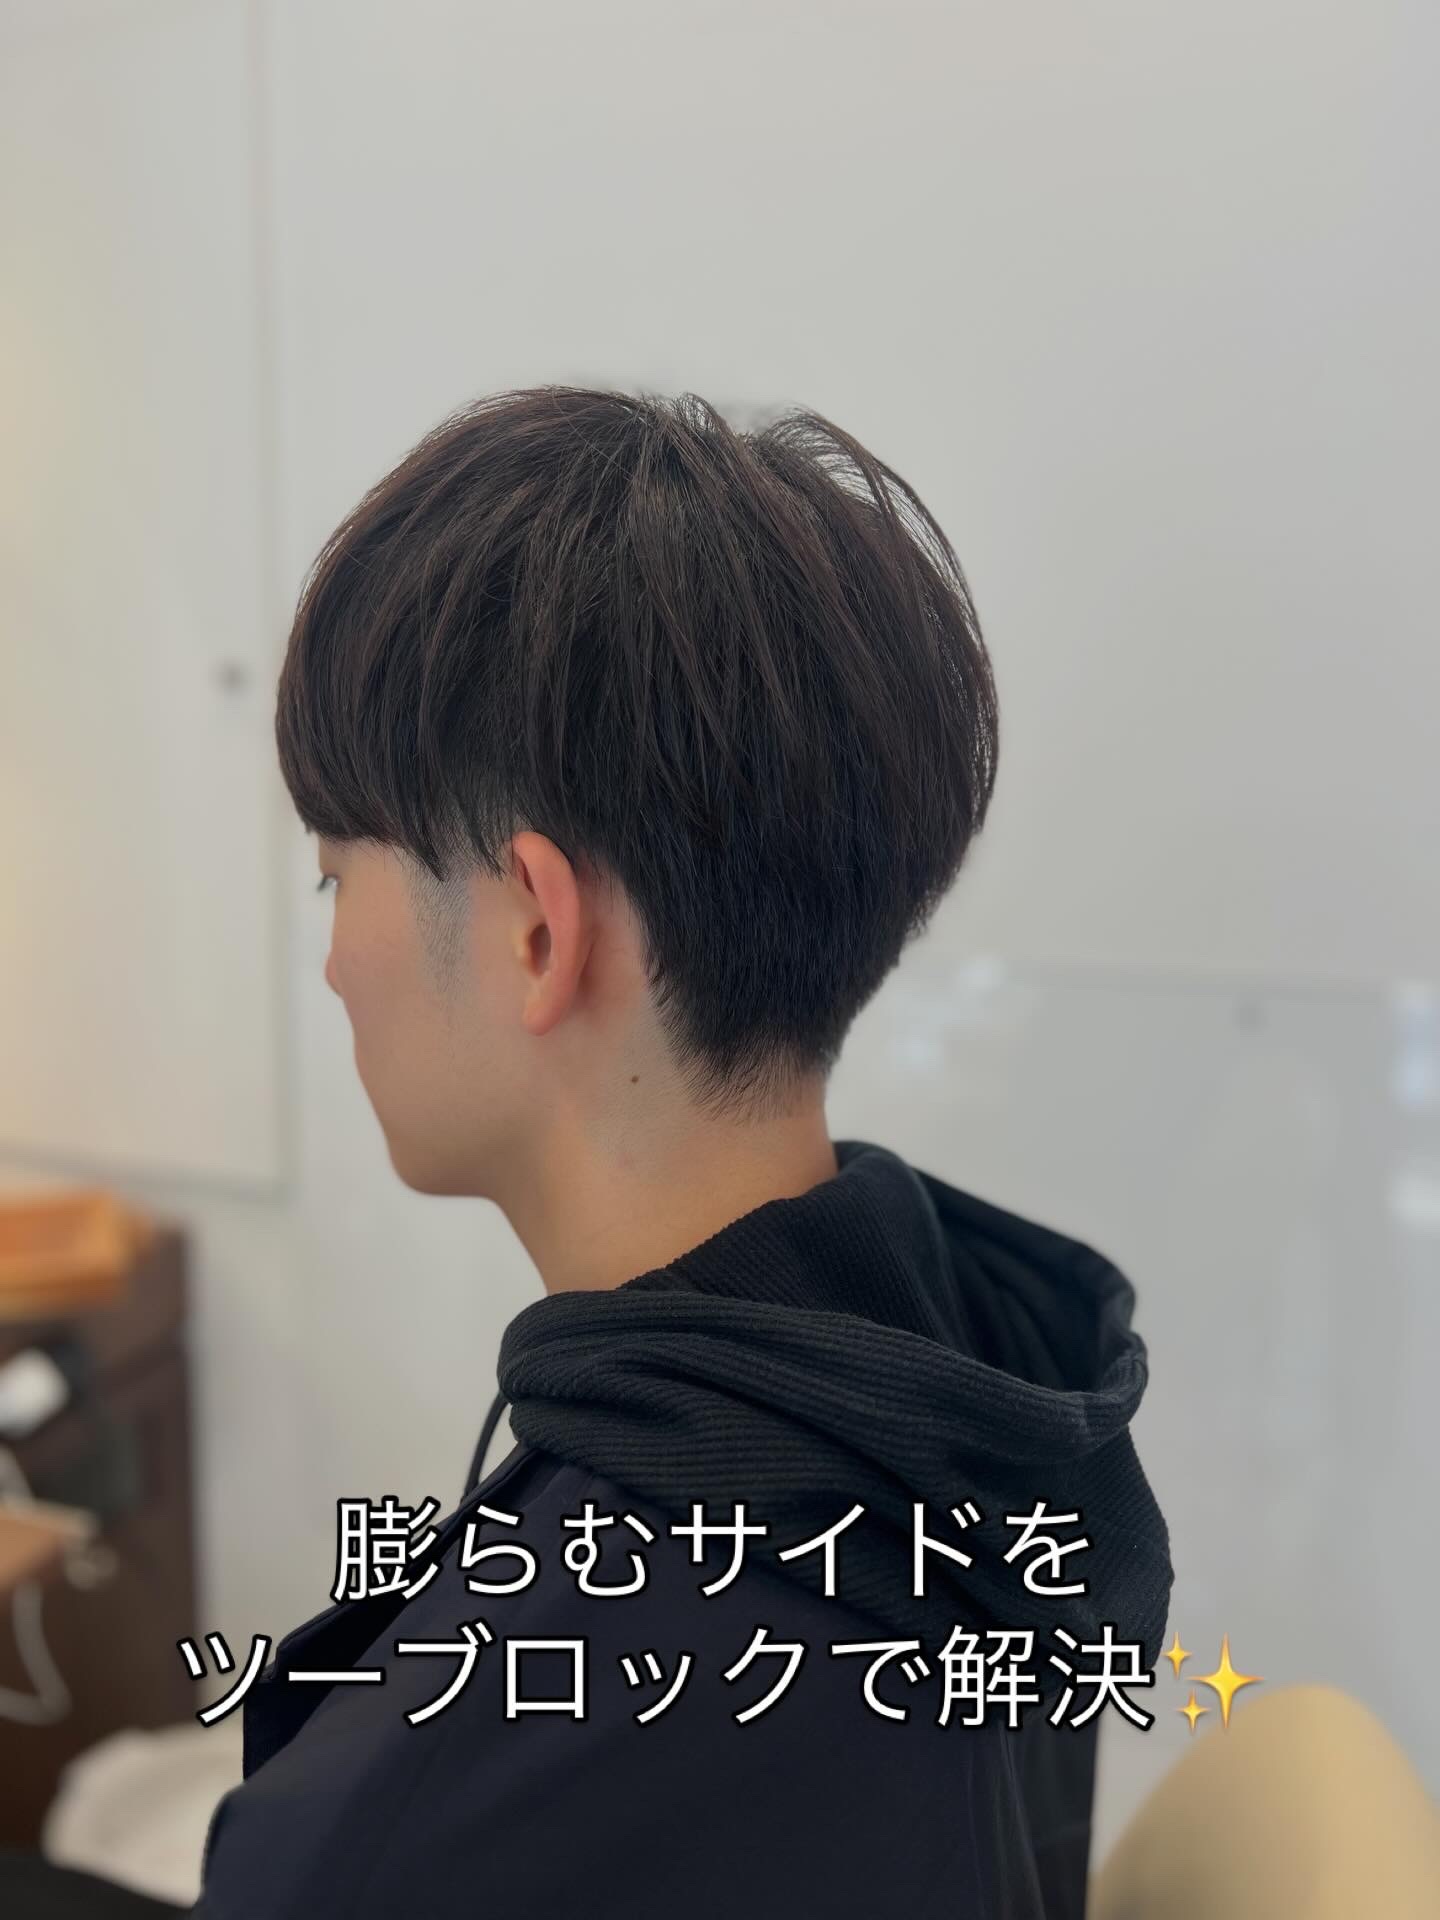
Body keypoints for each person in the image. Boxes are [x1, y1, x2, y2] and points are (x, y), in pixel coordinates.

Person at [8, 386, 1173, 1916]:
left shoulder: (400, 1826)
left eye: (336, 878)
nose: (335, 961)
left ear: (536, 931)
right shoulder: (979, 1385)